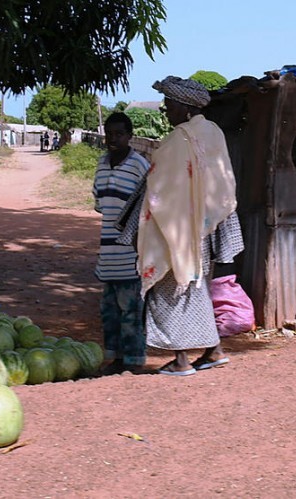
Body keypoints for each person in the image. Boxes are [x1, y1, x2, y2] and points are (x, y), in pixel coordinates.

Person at [120, 76, 242, 376]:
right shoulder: (212, 131)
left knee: (169, 288)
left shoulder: (180, 138)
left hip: (178, 229)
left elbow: (161, 186)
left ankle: (182, 358)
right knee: (195, 289)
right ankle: (214, 351)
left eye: (170, 104)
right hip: (206, 227)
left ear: (186, 107)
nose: (166, 110)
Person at [92, 112, 151, 374]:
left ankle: (135, 360)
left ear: (129, 136)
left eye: (119, 134)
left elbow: (150, 205)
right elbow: (99, 204)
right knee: (110, 311)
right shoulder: (101, 164)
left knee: (131, 310)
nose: (113, 139)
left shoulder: (139, 165)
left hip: (132, 251)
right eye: (110, 134)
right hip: (108, 251)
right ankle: (115, 358)